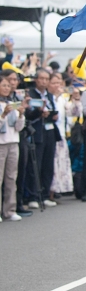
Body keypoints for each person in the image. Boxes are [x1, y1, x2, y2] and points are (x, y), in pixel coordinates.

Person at [22, 68, 59, 211]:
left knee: (48, 164)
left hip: (50, 131)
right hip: (37, 131)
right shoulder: (31, 94)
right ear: (36, 80)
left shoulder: (49, 95)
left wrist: (52, 115)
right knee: (35, 165)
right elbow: (28, 114)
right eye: (41, 78)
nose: (44, 81)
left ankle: (45, 194)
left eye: (46, 79)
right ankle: (32, 196)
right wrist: (39, 113)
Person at [0, 70, 27, 221]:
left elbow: (19, 127)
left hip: (13, 142)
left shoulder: (12, 103)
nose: (6, 88)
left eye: (8, 86)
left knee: (11, 177)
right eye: (3, 85)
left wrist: (21, 114)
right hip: (1, 144)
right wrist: (3, 115)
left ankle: (10, 210)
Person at [48, 77, 75, 201]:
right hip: (51, 134)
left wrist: (74, 99)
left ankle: (55, 192)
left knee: (61, 165)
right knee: (51, 164)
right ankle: (48, 193)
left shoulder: (63, 98)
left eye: (59, 83)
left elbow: (73, 113)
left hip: (62, 135)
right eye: (54, 83)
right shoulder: (49, 98)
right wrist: (56, 97)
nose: (57, 85)